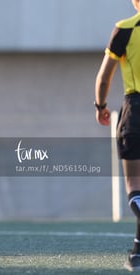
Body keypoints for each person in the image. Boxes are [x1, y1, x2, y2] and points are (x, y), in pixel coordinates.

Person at [95, 0, 140, 271]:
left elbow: (103, 77)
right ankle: (137, 253)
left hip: (135, 111)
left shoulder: (124, 28)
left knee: (135, 187)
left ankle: (137, 254)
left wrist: (100, 106)